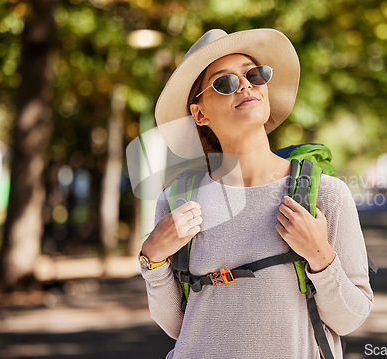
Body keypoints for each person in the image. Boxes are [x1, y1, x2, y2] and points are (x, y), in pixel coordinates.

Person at [138, 28, 373, 359]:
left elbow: (350, 318)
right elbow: (179, 326)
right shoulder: (177, 201)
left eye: (254, 74)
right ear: (200, 113)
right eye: (225, 83)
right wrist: (153, 258)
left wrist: (320, 255)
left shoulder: (326, 196)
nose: (246, 85)